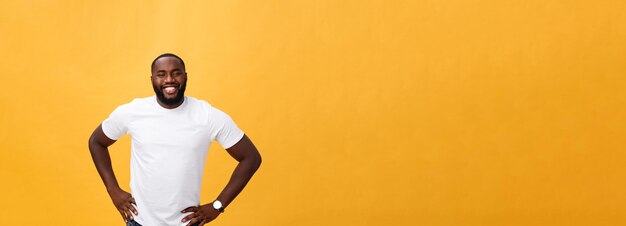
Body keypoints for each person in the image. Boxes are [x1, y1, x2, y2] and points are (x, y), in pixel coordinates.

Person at [88, 53, 262, 226]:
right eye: (161, 74)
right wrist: (113, 190)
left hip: (186, 224)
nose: (169, 79)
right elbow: (96, 141)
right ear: (152, 79)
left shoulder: (207, 116)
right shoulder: (133, 112)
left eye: (176, 73)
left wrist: (218, 206)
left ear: (185, 77)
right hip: (139, 222)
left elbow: (251, 158)